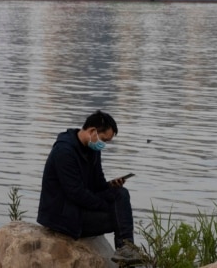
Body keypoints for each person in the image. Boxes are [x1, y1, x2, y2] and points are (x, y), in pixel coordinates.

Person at [37, 110, 142, 265]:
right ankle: (126, 252)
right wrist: (106, 206)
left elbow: (97, 184)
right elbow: (76, 193)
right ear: (92, 131)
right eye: (104, 140)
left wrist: (110, 186)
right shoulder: (64, 151)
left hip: (79, 207)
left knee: (121, 194)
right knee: (119, 216)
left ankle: (125, 250)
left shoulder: (93, 150)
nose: (103, 144)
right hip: (63, 216)